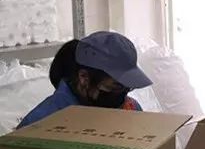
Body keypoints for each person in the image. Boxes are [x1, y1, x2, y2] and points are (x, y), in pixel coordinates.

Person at [18, 31, 152, 128]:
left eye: (128, 86)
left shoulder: (130, 109)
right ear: (84, 78)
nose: (123, 95)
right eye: (116, 86)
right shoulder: (42, 123)